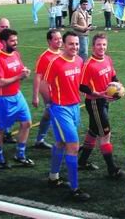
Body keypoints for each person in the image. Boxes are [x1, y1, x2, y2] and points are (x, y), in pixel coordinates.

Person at [43, 31, 90, 201]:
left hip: (75, 107)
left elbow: (78, 83)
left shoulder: (79, 60)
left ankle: (53, 177)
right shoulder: (55, 62)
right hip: (60, 108)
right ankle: (75, 188)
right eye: (71, 44)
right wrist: (50, 105)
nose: (75, 47)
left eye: (77, 44)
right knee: (73, 146)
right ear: (63, 44)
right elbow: (44, 85)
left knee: (61, 143)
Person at [78, 33, 125, 177]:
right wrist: (97, 93)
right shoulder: (88, 64)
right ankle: (112, 169)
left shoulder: (108, 59)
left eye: (104, 44)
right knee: (105, 134)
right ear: (93, 46)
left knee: (93, 131)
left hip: (104, 100)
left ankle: (82, 161)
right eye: (99, 44)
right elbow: (82, 86)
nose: (102, 47)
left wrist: (118, 88)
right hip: (94, 102)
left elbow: (113, 77)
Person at [0, 28, 34, 168]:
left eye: (16, 40)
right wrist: (19, 77)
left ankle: (20, 155)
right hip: (2, 99)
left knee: (26, 123)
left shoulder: (15, 54)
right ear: (3, 42)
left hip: (17, 96)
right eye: (12, 41)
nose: (15, 43)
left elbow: (19, 69)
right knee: (0, 130)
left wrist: (24, 71)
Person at [32, 29, 63, 150]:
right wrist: (35, 96)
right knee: (57, 114)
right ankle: (63, 141)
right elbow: (38, 77)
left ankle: (39, 140)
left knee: (48, 114)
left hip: (61, 90)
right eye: (56, 39)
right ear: (49, 41)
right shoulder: (44, 57)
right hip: (49, 91)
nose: (59, 41)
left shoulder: (62, 53)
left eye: (60, 38)